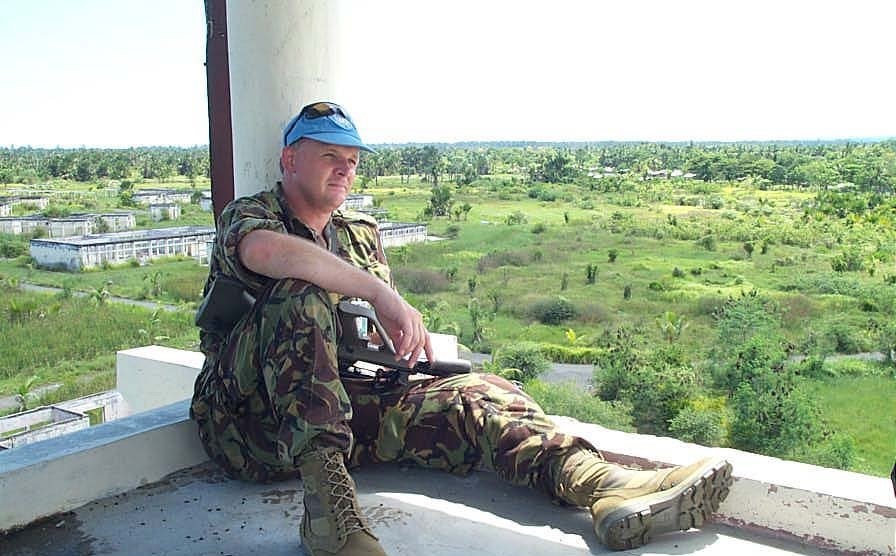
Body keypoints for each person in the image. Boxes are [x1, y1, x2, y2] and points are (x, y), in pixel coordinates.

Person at [190, 101, 734, 555]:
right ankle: (330, 521)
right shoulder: (252, 214)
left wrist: (399, 352)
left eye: (352, 160)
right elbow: (267, 255)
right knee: (300, 294)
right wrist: (379, 291)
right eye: (329, 156)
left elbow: (365, 334)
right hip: (248, 425)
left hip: (339, 413)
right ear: (290, 159)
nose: (345, 170)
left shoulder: (358, 233)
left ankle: (604, 489)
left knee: (478, 393)